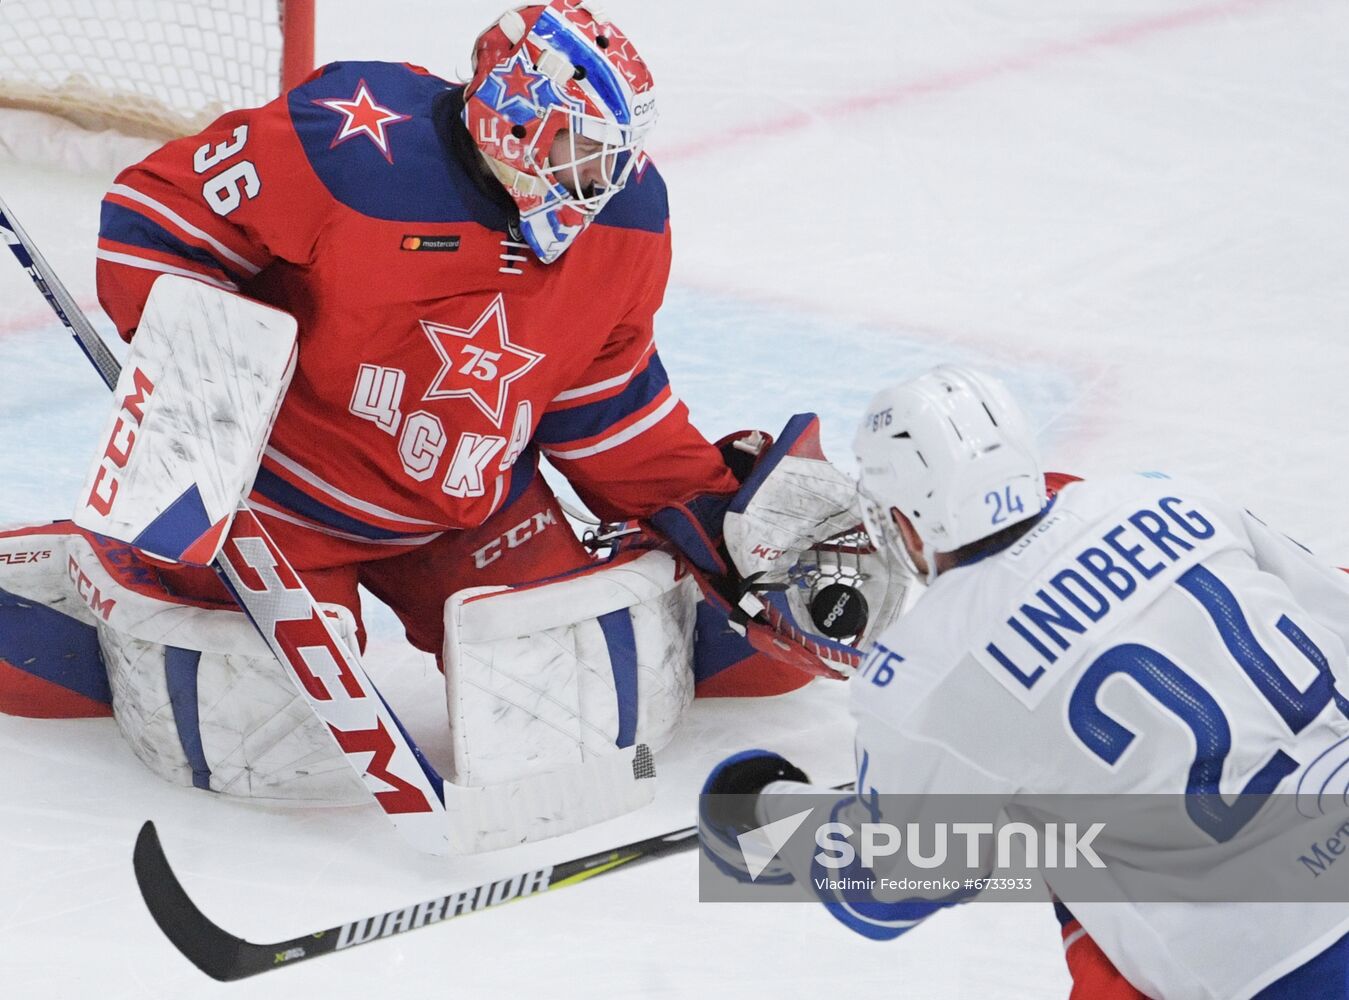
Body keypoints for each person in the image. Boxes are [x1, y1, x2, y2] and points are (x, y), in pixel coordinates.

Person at [0, 1, 872, 804]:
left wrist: (712, 513)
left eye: (617, 148)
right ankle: (96, 579)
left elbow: (603, 398)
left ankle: (686, 615)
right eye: (584, 146)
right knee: (259, 730)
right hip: (275, 502)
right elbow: (154, 221)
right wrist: (202, 389)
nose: (607, 173)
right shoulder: (354, 145)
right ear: (518, 116)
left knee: (577, 694)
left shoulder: (628, 219)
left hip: (471, 505)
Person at [701, 365, 1349, 1000]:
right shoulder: (1170, 497)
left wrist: (762, 813)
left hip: (1279, 965)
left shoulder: (923, 667)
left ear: (902, 517)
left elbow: (884, 892)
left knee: (1076, 855)